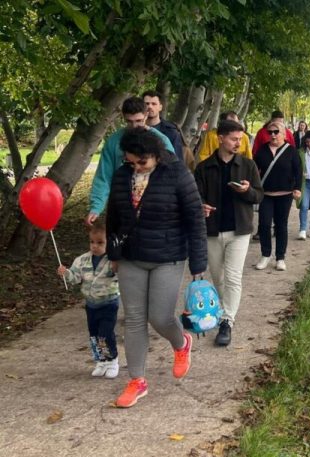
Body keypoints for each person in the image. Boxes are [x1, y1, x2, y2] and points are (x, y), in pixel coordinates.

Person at [106, 127, 207, 408]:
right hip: (131, 255)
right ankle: (137, 380)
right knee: (134, 319)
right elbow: (113, 216)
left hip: (168, 256)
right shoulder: (122, 176)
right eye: (131, 162)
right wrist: (113, 252)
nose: (136, 167)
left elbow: (195, 220)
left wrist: (198, 264)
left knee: (160, 317)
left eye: (142, 162)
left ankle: (181, 343)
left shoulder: (178, 174)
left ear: (157, 156)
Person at [194, 120, 263, 346]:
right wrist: (201, 206)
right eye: (234, 139)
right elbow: (195, 196)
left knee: (233, 276)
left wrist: (247, 191)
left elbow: (259, 196)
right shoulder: (203, 168)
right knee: (218, 277)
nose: (238, 143)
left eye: (240, 139)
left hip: (239, 230)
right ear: (220, 138)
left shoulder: (248, 165)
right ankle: (225, 309)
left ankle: (227, 320)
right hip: (213, 230)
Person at [85, 97, 175, 226]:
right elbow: (104, 177)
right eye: (129, 121)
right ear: (123, 118)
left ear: (146, 115)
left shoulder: (161, 140)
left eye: (138, 121)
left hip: (155, 205)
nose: (134, 126)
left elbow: (174, 174)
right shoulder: (113, 142)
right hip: (122, 205)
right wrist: (96, 207)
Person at [57, 222, 120, 379]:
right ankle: (101, 361)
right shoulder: (82, 260)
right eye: (92, 242)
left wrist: (117, 264)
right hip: (91, 305)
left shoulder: (113, 260)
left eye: (100, 242)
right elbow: (75, 278)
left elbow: (120, 275)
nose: (95, 246)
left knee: (105, 333)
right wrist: (66, 273)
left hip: (108, 303)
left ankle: (112, 360)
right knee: (94, 334)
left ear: (109, 243)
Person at [253, 120, 301, 271]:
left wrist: (297, 188)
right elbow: (254, 170)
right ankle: (265, 255)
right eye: (270, 132)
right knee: (264, 224)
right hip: (266, 194)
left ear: (284, 134)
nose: (273, 135)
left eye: (276, 132)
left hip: (285, 194)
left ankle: (280, 258)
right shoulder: (262, 150)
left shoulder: (291, 150)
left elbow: (298, 171)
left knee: (281, 225)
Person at [142, 90, 184, 161]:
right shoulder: (135, 129)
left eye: (154, 104)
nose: (150, 106)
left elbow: (177, 161)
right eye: (147, 104)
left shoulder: (171, 132)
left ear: (160, 107)